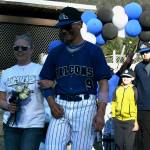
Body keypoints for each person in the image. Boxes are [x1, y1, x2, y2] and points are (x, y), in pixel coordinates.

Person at [39, 6, 111, 150]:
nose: (64, 30)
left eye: (68, 25)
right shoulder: (56, 53)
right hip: (60, 104)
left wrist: (101, 112)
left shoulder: (94, 51)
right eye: (61, 27)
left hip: (85, 106)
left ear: (80, 24)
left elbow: (103, 83)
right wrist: (52, 104)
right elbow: (43, 81)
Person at [0, 33, 45, 150]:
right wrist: (8, 106)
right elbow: (1, 99)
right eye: (16, 48)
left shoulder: (40, 70)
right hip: (10, 124)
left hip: (33, 124)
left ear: (31, 49)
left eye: (24, 48)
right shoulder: (7, 73)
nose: (20, 50)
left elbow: (49, 91)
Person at [112, 68, 139, 150]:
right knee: (119, 143)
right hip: (118, 120)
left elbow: (136, 106)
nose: (125, 78)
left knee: (128, 145)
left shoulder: (134, 90)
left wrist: (135, 121)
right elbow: (114, 102)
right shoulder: (117, 89)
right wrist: (114, 116)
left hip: (129, 121)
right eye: (123, 76)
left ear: (132, 78)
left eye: (128, 76)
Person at [135, 41, 150, 150]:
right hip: (141, 107)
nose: (145, 55)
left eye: (147, 52)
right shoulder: (138, 67)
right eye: (143, 53)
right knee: (138, 135)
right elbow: (135, 85)